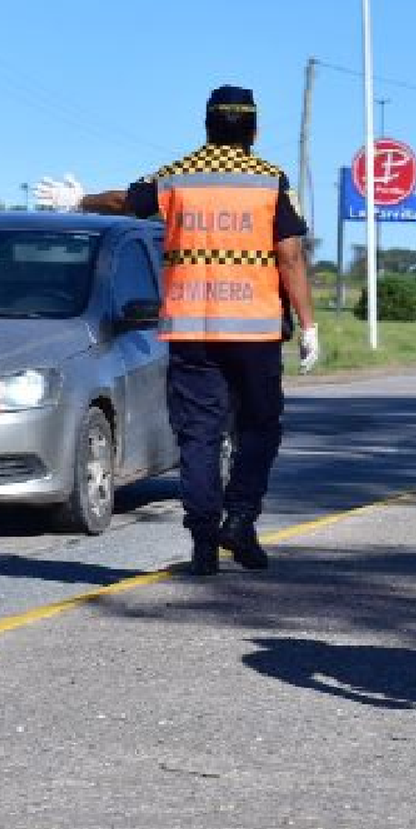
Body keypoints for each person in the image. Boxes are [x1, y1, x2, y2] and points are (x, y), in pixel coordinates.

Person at [34, 84, 319, 576]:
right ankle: (241, 518)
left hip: (192, 329)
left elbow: (125, 200)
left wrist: (79, 199)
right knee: (259, 429)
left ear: (207, 126)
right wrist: (310, 325)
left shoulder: (177, 176)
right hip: (255, 333)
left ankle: (205, 542)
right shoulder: (270, 180)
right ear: (253, 129)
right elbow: (290, 256)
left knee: (198, 435)